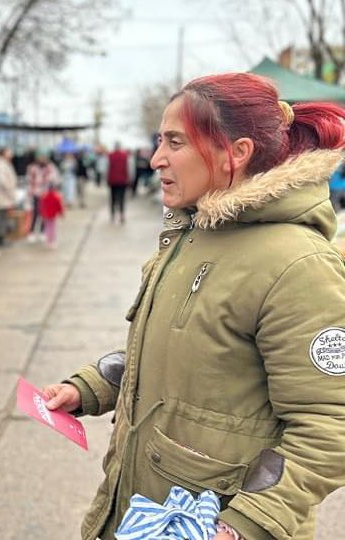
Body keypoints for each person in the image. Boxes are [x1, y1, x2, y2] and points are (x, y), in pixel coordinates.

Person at [42, 72, 345, 540]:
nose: (156, 158)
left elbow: (330, 424)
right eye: (159, 140)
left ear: (236, 153)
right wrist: (90, 387)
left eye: (176, 142)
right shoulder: (192, 235)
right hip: (143, 510)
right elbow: (182, 357)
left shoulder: (299, 265)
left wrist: (241, 525)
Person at [26, 149, 59, 242]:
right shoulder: (32, 167)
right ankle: (32, 232)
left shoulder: (50, 167)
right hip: (36, 193)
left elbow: (55, 179)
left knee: (45, 214)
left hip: (46, 194)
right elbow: (29, 181)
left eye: (44, 157)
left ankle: (42, 231)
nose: (42, 159)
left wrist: (50, 183)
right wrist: (29, 193)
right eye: (40, 157)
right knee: (36, 213)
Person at [0, 146, 18, 246]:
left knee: (4, 217)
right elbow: (2, 181)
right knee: (1, 218)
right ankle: (0, 239)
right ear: (3, 153)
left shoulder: (4, 163)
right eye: (8, 152)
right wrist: (9, 189)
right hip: (3, 196)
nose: (11, 154)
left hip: (5, 196)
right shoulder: (0, 165)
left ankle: (3, 238)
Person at [107, 142, 131, 223]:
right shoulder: (125, 156)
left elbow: (107, 167)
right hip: (123, 180)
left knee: (112, 198)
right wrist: (129, 178)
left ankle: (113, 215)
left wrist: (106, 178)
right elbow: (129, 168)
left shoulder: (110, 155)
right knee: (122, 198)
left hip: (112, 180)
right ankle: (121, 215)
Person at [38, 183, 64, 249]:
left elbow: (41, 206)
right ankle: (53, 241)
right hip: (53, 215)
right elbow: (59, 206)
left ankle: (48, 240)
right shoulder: (56, 197)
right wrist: (61, 213)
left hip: (47, 215)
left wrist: (41, 213)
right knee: (53, 228)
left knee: (47, 227)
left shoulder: (44, 197)